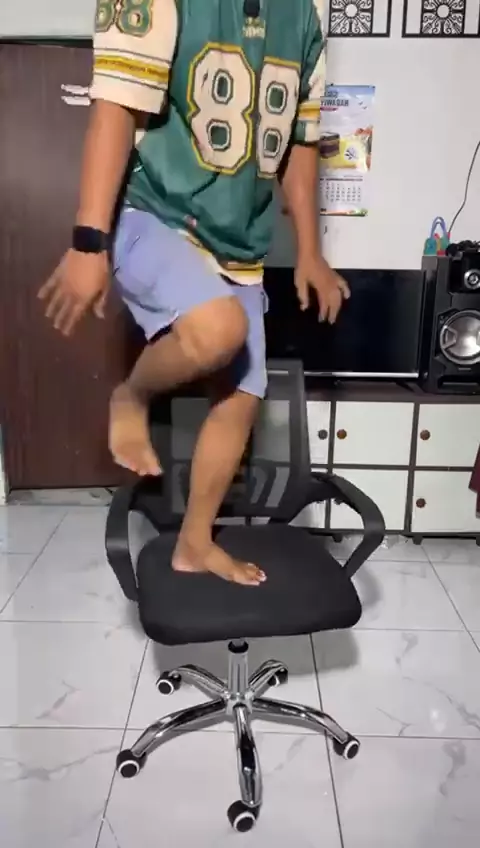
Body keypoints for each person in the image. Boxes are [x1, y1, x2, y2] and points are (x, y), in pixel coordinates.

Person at [39, 0, 349, 586]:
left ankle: (194, 544)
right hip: (154, 216)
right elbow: (116, 105)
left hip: (241, 243)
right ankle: (131, 396)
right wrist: (88, 241)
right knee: (220, 329)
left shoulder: (305, 16)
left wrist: (310, 251)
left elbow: (301, 140)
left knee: (242, 397)